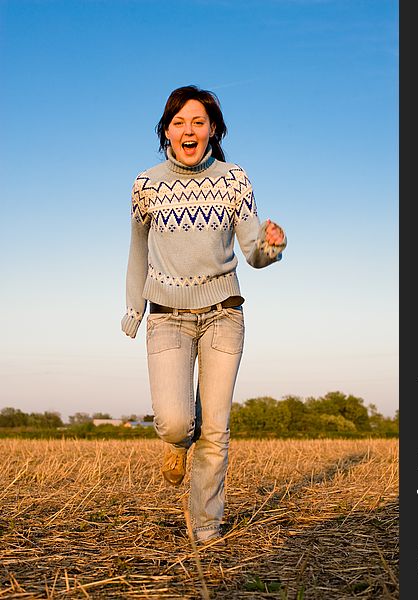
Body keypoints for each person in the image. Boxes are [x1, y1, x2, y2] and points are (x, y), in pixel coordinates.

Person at [121, 85, 287, 545]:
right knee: (178, 421)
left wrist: (271, 245)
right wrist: (134, 306)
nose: (188, 130)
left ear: (213, 129)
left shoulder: (235, 179)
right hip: (167, 316)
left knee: (215, 428)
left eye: (198, 121)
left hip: (223, 314)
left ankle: (207, 527)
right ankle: (176, 443)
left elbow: (253, 251)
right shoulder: (145, 185)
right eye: (178, 123)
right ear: (167, 132)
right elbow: (137, 251)